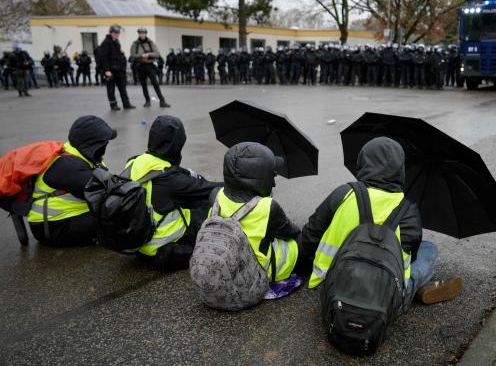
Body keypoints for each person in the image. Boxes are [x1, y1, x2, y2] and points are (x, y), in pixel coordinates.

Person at [299, 137, 463, 306]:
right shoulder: (408, 211)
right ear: (401, 169)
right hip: (383, 301)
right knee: (428, 248)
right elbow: (410, 257)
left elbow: (311, 236)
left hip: (331, 289)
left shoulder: (344, 193)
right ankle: (414, 288)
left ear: (362, 162)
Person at [122, 116, 221, 270]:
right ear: (176, 144)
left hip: (136, 243)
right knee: (211, 209)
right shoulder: (171, 179)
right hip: (161, 250)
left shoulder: (135, 162)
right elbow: (208, 188)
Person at [211, 142, 300, 282]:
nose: (274, 183)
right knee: (307, 237)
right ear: (260, 178)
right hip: (258, 276)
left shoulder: (216, 196)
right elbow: (292, 233)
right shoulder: (267, 207)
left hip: (227, 271)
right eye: (272, 175)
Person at [27, 116, 117, 246]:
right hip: (52, 227)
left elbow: (109, 181)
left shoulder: (82, 155)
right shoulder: (68, 166)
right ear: (93, 144)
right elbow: (105, 191)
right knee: (119, 215)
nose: (105, 146)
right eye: (104, 143)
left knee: (115, 211)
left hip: (62, 218)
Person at [96, 25, 135, 110]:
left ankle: (126, 104)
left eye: (118, 33)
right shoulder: (106, 43)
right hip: (110, 70)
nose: (117, 34)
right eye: (115, 33)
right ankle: (113, 105)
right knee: (111, 89)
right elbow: (104, 57)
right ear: (111, 33)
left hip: (119, 69)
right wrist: (106, 70)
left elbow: (119, 56)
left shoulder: (116, 42)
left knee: (123, 88)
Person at [130, 28, 170, 108]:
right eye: (140, 33)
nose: (142, 34)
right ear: (138, 34)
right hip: (140, 65)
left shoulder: (150, 42)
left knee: (155, 83)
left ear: (145, 33)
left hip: (150, 65)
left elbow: (157, 53)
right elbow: (133, 54)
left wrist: (148, 55)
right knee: (143, 84)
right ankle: (147, 101)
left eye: (143, 33)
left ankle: (162, 101)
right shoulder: (135, 44)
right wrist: (141, 56)